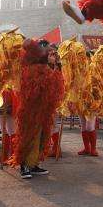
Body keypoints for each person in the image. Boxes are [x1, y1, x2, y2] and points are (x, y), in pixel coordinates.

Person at [9, 39, 65, 179]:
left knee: (41, 136)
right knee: (29, 136)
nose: (53, 56)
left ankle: (33, 164)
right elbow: (33, 91)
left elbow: (56, 89)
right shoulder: (31, 69)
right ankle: (24, 165)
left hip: (44, 110)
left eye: (54, 54)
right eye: (50, 53)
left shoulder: (47, 68)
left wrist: (55, 68)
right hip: (31, 110)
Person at [0, 88, 17, 163]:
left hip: (10, 100)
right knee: (4, 131)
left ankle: (13, 155)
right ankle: (4, 155)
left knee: (12, 130)